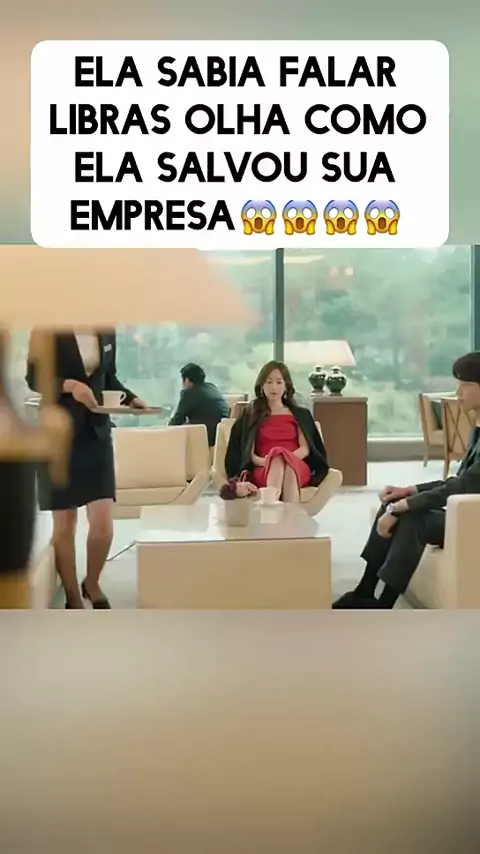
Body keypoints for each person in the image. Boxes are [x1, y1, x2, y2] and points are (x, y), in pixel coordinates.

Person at [334, 351, 480, 609]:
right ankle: (364, 590)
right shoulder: (477, 429)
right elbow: (461, 480)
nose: (458, 392)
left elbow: (463, 486)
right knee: (392, 503)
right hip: (467, 511)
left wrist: (405, 506)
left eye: (465, 384)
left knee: (414, 518)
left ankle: (384, 604)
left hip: (473, 518)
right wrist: (408, 491)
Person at [26, 328, 148, 609]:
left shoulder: (106, 329)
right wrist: (70, 386)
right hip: (57, 436)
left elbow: (108, 377)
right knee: (64, 525)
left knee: (103, 525)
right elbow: (34, 379)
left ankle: (91, 583)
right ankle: (73, 598)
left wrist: (131, 398)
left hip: (97, 435)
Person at [224, 360, 329, 501]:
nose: (274, 387)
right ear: (262, 385)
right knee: (279, 460)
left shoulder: (300, 414)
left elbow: (305, 449)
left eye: (279, 382)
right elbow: (250, 455)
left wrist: (284, 457)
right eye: (269, 382)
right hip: (263, 467)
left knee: (288, 465)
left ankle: (272, 508)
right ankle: (286, 512)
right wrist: (271, 460)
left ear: (286, 386)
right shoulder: (251, 414)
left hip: (297, 463)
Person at [168, 363, 229, 447]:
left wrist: (164, 431)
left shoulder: (189, 393)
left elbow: (178, 419)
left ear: (187, 380)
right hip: (223, 435)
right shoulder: (212, 388)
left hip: (206, 436)